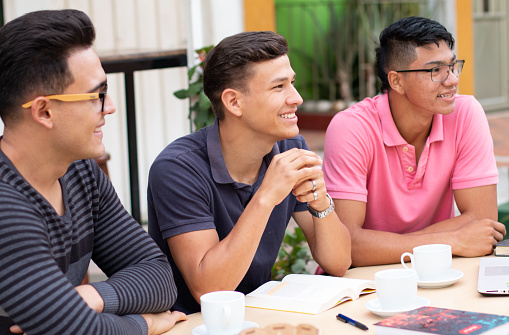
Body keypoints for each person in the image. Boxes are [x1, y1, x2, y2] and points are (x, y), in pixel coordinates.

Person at [0, 9, 187, 335]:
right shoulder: (7, 204)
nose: (110, 106)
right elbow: (73, 331)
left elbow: (159, 277)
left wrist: (93, 296)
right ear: (44, 111)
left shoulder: (80, 173)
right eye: (97, 95)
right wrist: (146, 324)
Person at [148, 31, 352, 314]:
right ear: (234, 102)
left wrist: (321, 202)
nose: (297, 98)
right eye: (278, 87)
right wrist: (266, 196)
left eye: (292, 83)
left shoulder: (289, 148)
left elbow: (338, 263)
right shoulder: (178, 169)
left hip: (258, 317)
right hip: (193, 326)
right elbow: (209, 290)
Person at [323, 16, 506, 267]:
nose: (452, 80)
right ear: (396, 81)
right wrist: (451, 241)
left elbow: (483, 222)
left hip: (438, 272)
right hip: (363, 281)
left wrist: (383, 246)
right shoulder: (352, 128)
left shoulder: (464, 113)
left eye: (452, 66)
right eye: (435, 70)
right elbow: (345, 245)